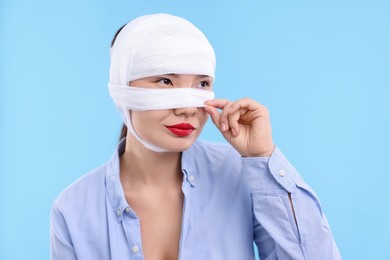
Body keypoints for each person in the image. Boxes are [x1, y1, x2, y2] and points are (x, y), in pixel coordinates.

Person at [50, 13, 341, 260]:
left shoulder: (240, 172)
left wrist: (262, 158)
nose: (188, 107)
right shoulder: (73, 210)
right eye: (165, 81)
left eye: (202, 83)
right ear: (122, 88)